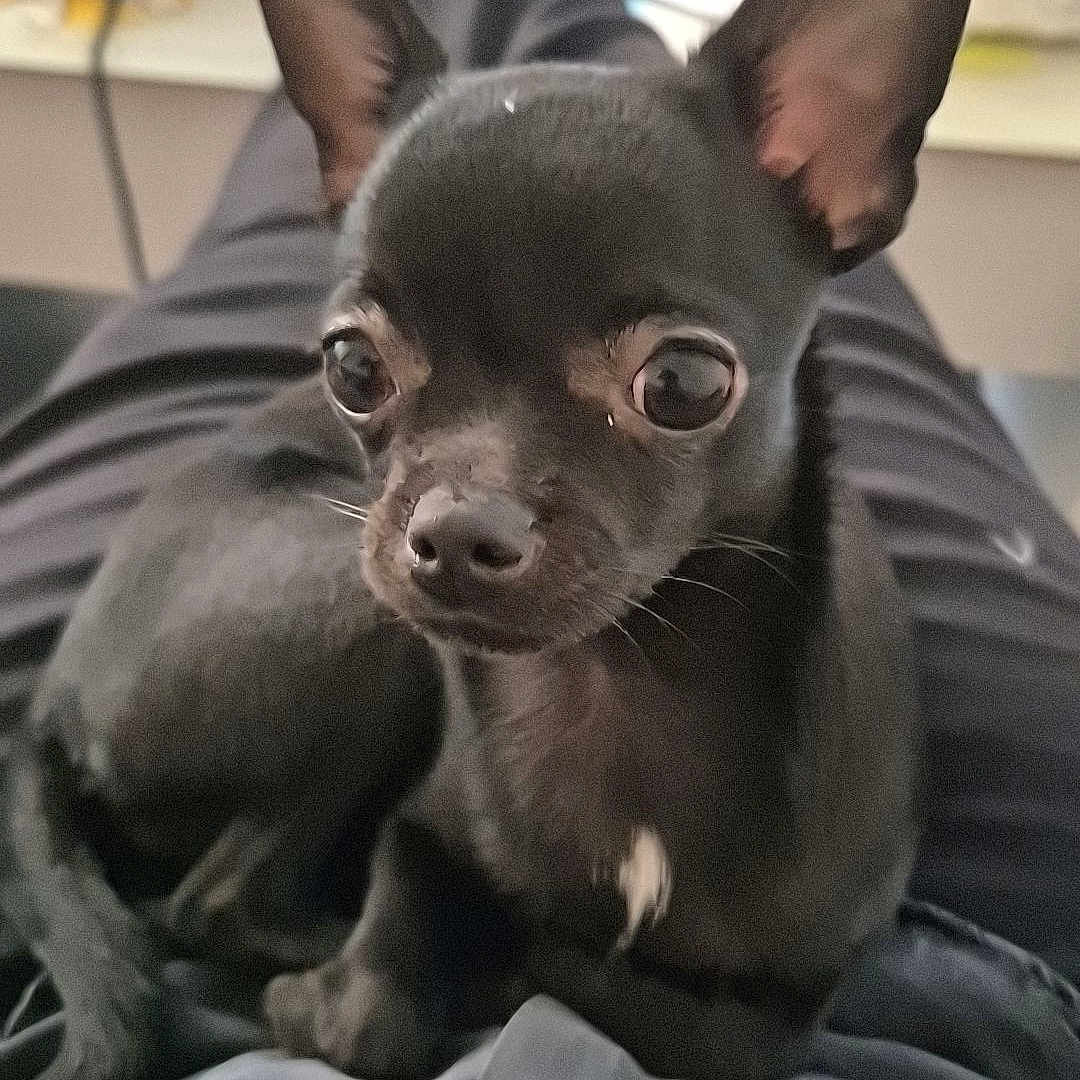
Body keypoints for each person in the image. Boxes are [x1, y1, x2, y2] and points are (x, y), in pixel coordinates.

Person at [1, 2, 1079, 1078]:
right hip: (180, 627)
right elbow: (431, 845)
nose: (461, 512)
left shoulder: (850, 796)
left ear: (834, 176)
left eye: (671, 385)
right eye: (364, 374)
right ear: (346, 163)